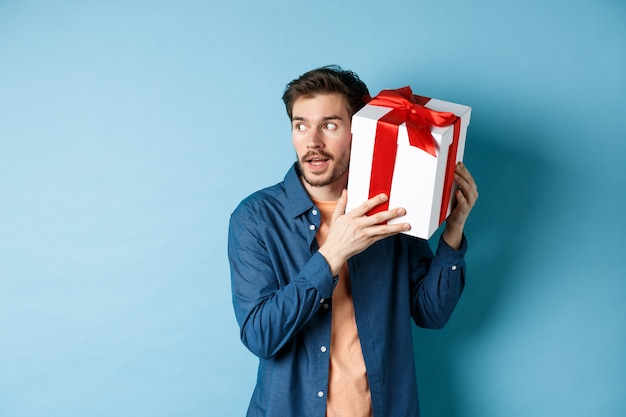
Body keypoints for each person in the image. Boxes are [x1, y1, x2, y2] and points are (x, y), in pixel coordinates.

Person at [228, 65, 478, 417]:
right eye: (301, 125)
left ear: (358, 132)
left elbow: (430, 313)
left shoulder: (390, 207)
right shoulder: (255, 219)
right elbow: (260, 337)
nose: (312, 141)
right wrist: (331, 255)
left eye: (329, 125)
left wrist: (453, 231)